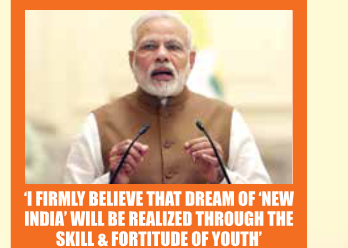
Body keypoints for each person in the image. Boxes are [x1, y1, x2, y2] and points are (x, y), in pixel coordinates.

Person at [63, 12, 270, 185]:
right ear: (132, 59)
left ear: (191, 60)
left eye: (173, 47)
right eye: (149, 46)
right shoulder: (98, 123)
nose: (162, 55)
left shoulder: (227, 118)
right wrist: (111, 182)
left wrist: (221, 177)